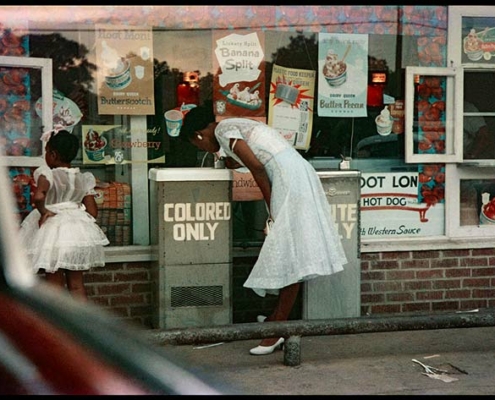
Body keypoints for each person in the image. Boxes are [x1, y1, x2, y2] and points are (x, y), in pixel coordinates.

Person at [181, 106, 348, 356]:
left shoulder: (225, 130)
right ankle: (275, 320)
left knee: (290, 252)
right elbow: (257, 154)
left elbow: (257, 167)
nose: (201, 150)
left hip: (287, 179)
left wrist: (272, 209)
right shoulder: (231, 127)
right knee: (292, 251)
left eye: (197, 146)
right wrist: (229, 159)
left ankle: (276, 329)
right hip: (294, 173)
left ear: (198, 135)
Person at [19, 130, 109, 301]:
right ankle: (80, 321)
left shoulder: (47, 174)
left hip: (52, 234)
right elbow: (92, 212)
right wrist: (75, 212)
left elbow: (39, 196)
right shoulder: (83, 178)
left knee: (54, 284)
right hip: (75, 235)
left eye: (46, 152)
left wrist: (45, 212)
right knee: (76, 285)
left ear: (53, 154)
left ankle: (57, 324)